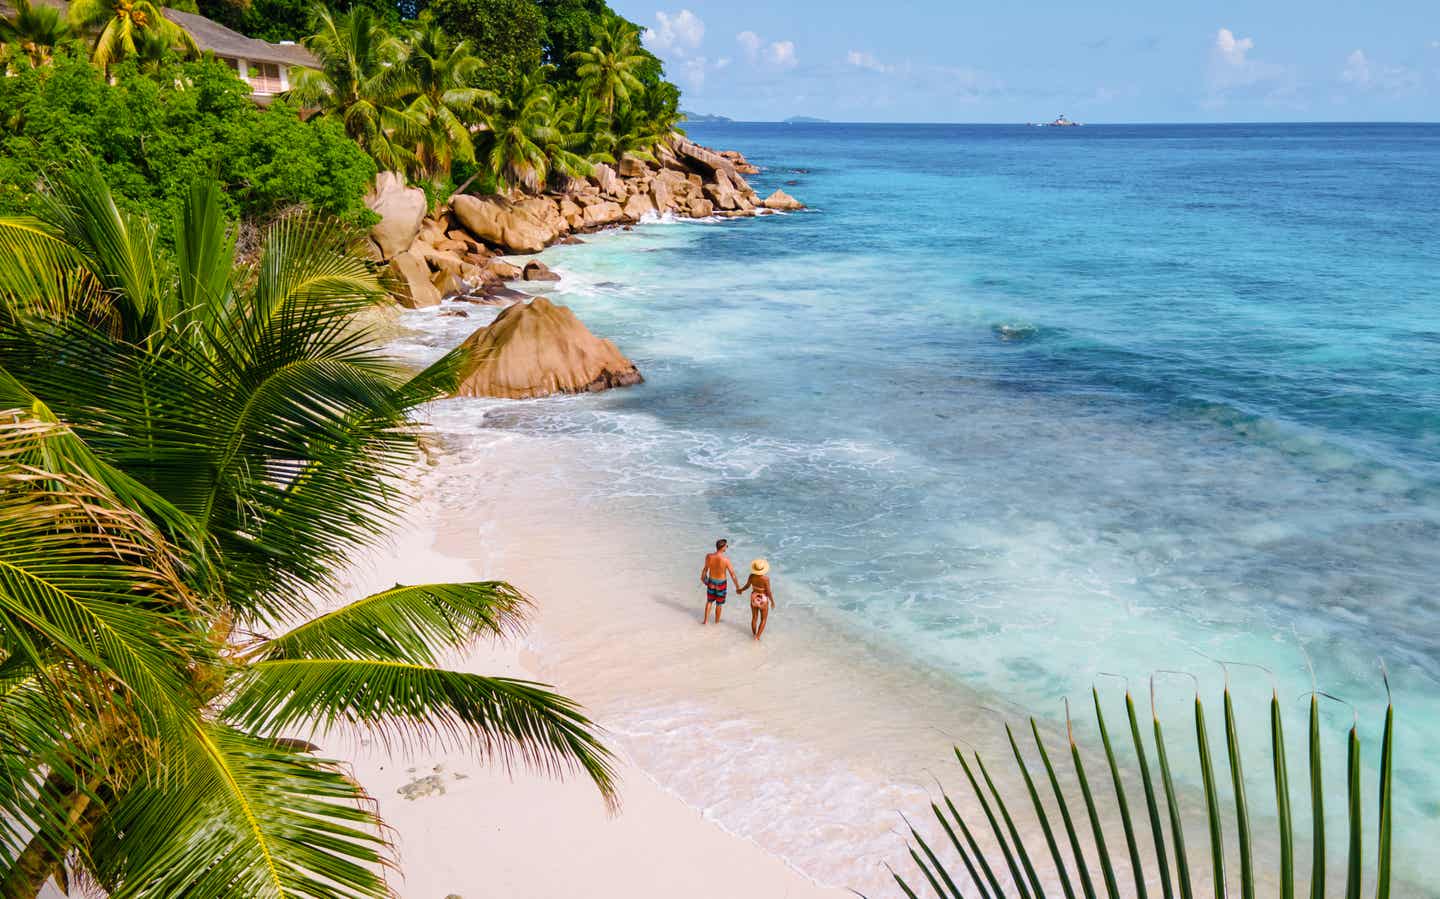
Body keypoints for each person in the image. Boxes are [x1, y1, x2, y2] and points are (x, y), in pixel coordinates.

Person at [700, 538, 739, 624]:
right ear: (722, 547)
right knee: (719, 604)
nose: (727, 547)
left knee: (709, 601)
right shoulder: (726, 560)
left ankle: (705, 621)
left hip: (711, 581)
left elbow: (705, 569)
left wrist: (702, 577)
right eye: (726, 546)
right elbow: (732, 574)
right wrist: (737, 587)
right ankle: (717, 622)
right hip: (721, 583)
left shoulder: (709, 556)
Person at [736, 559, 775, 641]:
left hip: (754, 597)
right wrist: (772, 601)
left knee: (754, 617)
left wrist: (740, 590)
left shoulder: (751, 576)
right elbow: (768, 591)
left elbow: (747, 586)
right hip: (763, 598)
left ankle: (754, 635)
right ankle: (757, 637)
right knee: (763, 619)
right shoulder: (765, 579)